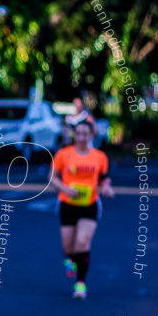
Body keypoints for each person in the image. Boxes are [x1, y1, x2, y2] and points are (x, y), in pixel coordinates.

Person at [49, 120, 114, 298]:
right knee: (68, 248)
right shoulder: (63, 155)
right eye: (79, 134)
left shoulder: (99, 157)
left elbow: (104, 178)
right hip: (67, 204)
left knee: (82, 243)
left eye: (86, 134)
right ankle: (70, 259)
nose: (82, 138)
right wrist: (66, 189)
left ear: (91, 135)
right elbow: (52, 178)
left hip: (89, 205)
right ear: (74, 135)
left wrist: (106, 188)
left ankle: (80, 284)